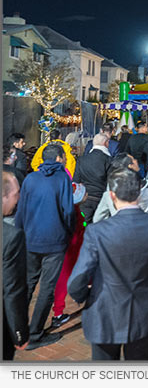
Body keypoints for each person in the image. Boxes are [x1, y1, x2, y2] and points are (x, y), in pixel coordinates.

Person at [67, 168, 148, 360]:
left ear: (112, 195)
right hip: (145, 311)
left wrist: (87, 295)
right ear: (139, 192)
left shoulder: (96, 231)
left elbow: (77, 281)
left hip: (105, 311)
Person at [15, 142, 74, 349]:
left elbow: (21, 209)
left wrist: (19, 233)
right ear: (58, 158)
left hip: (31, 238)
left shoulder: (31, 178)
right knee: (47, 288)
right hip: (55, 240)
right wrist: (68, 233)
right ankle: (35, 334)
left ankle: (17, 328)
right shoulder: (63, 178)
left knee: (28, 284)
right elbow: (68, 211)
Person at [50, 182, 88, 330]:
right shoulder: (74, 213)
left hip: (73, 251)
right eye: (84, 193)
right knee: (63, 280)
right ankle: (58, 313)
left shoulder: (70, 209)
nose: (86, 195)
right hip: (71, 252)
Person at [3, 171, 28, 359]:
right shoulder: (11, 237)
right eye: (16, 193)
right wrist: (19, 332)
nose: (18, 199)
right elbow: (13, 290)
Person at [73, 133, 112, 224]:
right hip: (101, 199)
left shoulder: (81, 160)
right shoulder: (108, 160)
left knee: (84, 225)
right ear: (106, 143)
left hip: (85, 199)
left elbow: (76, 180)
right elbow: (111, 182)